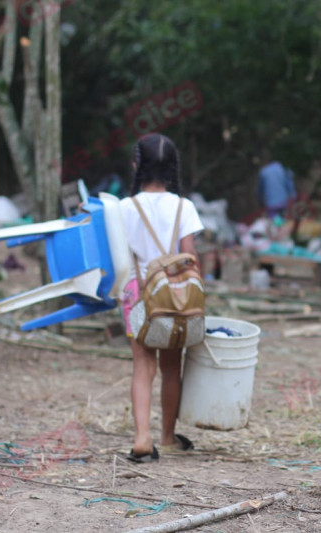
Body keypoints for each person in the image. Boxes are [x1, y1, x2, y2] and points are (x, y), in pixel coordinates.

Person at [119, 133, 204, 462]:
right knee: (172, 367)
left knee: (142, 364)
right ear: (173, 168)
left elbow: (117, 257)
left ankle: (142, 437)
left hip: (137, 293)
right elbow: (189, 256)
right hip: (176, 295)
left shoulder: (124, 208)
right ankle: (168, 436)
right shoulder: (184, 207)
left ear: (136, 165)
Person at [256, 151, 297, 217]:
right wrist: (294, 200)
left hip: (271, 204)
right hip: (284, 204)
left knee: (276, 222)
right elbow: (290, 187)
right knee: (283, 221)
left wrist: (261, 201)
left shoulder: (264, 172)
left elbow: (260, 191)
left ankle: (278, 225)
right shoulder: (285, 170)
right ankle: (281, 224)